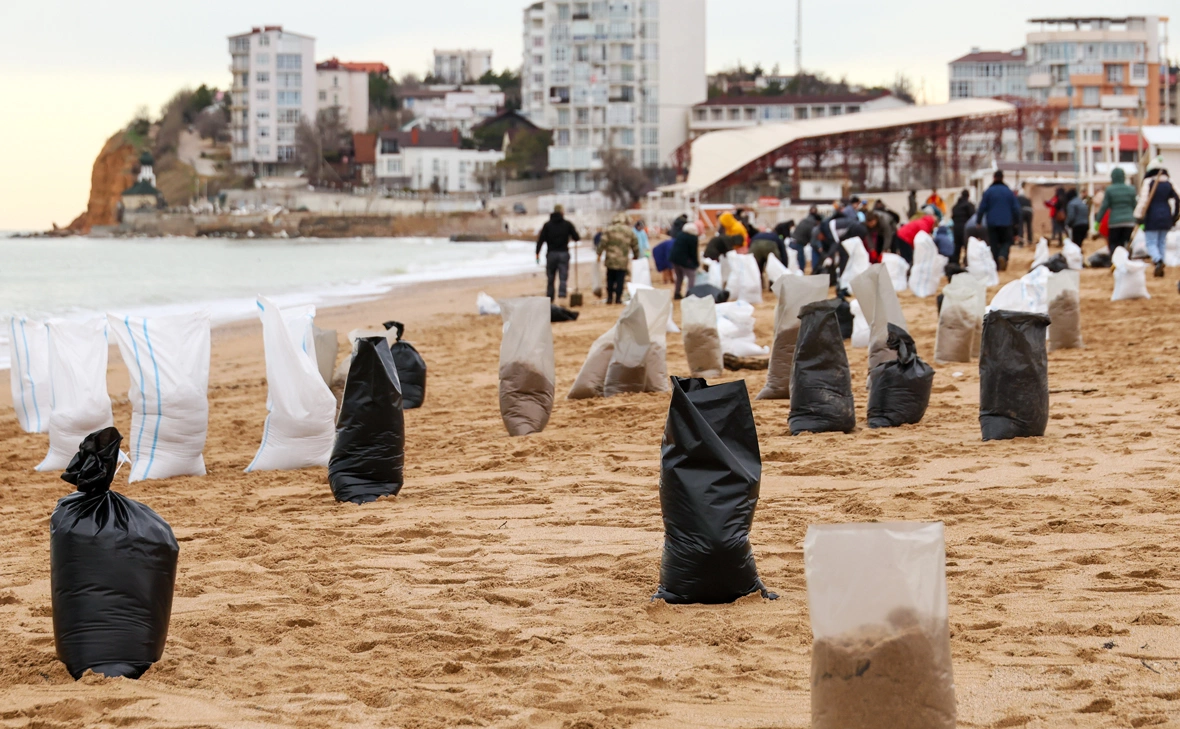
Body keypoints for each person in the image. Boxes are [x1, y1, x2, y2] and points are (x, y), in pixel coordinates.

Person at [1137, 159, 1180, 277]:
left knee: (1151, 242)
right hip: (1166, 215)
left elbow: (1143, 201)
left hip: (1152, 216)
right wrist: (1175, 215)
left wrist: (1138, 216)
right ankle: (1160, 266)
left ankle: (1157, 260)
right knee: (1161, 242)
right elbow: (1178, 198)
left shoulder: (1148, 182)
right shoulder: (1168, 182)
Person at [975, 170, 1021, 271]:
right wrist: (1016, 224)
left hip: (992, 222)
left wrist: (978, 221)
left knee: (994, 243)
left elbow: (982, 207)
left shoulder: (988, 192)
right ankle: (1003, 255)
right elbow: (1016, 209)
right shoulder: (1009, 192)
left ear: (994, 178)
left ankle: (996, 264)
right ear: (1002, 178)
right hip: (1006, 222)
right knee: (1007, 241)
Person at [536, 204, 580, 301]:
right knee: (563, 277)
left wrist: (537, 253)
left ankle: (550, 298)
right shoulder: (567, 224)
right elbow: (576, 237)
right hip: (564, 253)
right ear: (561, 212)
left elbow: (541, 240)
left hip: (551, 254)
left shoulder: (547, 225)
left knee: (550, 278)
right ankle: (562, 296)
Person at [596, 213, 639, 305]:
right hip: (622, 260)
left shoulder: (609, 229)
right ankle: (618, 298)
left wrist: (599, 254)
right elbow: (635, 244)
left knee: (610, 278)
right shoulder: (629, 231)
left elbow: (602, 242)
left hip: (610, 259)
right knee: (620, 279)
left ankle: (610, 298)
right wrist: (636, 255)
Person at [1094, 167, 1137, 256]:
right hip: (1129, 221)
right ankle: (1125, 260)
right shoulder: (1131, 189)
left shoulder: (1110, 190)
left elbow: (1104, 207)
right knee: (1125, 242)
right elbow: (1135, 206)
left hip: (1115, 222)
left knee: (1113, 243)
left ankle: (1116, 262)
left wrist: (1098, 221)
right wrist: (1140, 221)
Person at [669, 223, 701, 299]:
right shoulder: (693, 238)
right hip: (684, 260)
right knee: (691, 276)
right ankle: (690, 293)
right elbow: (693, 252)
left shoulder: (680, 235)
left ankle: (677, 293)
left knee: (679, 276)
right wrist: (696, 264)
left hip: (674, 259)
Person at [790, 207, 822, 271]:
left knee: (793, 263)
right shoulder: (813, 224)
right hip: (799, 243)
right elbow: (813, 238)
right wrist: (819, 246)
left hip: (792, 241)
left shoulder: (804, 220)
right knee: (801, 263)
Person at [950, 189, 976, 265]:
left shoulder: (955, 206)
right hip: (966, 229)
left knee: (957, 247)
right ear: (968, 196)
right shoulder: (970, 206)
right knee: (967, 247)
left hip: (956, 228)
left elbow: (953, 217)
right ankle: (967, 263)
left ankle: (955, 264)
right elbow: (973, 217)